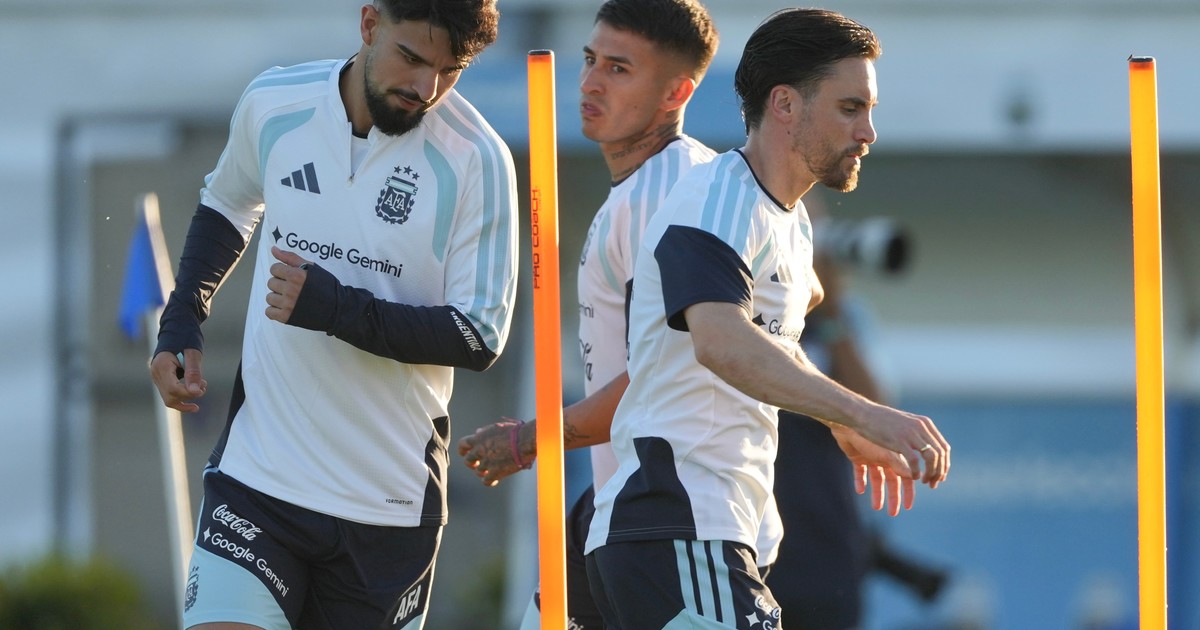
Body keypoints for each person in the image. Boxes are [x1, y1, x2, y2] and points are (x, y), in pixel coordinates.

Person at [147, 1, 518, 628]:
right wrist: (182, 316)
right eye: (411, 57)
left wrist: (337, 308)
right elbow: (229, 203)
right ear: (369, 24)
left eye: (450, 70)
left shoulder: (478, 159)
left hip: (387, 509)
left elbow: (479, 335)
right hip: (260, 480)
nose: (426, 88)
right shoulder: (276, 103)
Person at [582, 9, 951, 629]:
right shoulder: (717, 196)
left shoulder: (790, 220)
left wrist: (840, 422)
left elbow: (770, 344)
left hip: (709, 538)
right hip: (680, 528)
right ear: (784, 104)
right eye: (850, 108)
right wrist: (863, 412)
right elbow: (721, 341)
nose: (868, 132)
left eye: (869, 110)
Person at [457, 2, 733, 628]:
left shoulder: (669, 193)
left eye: (618, 69)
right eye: (589, 60)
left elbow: (663, 379)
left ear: (677, 93)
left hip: (675, 519)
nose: (589, 83)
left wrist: (529, 439)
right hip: (617, 505)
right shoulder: (650, 187)